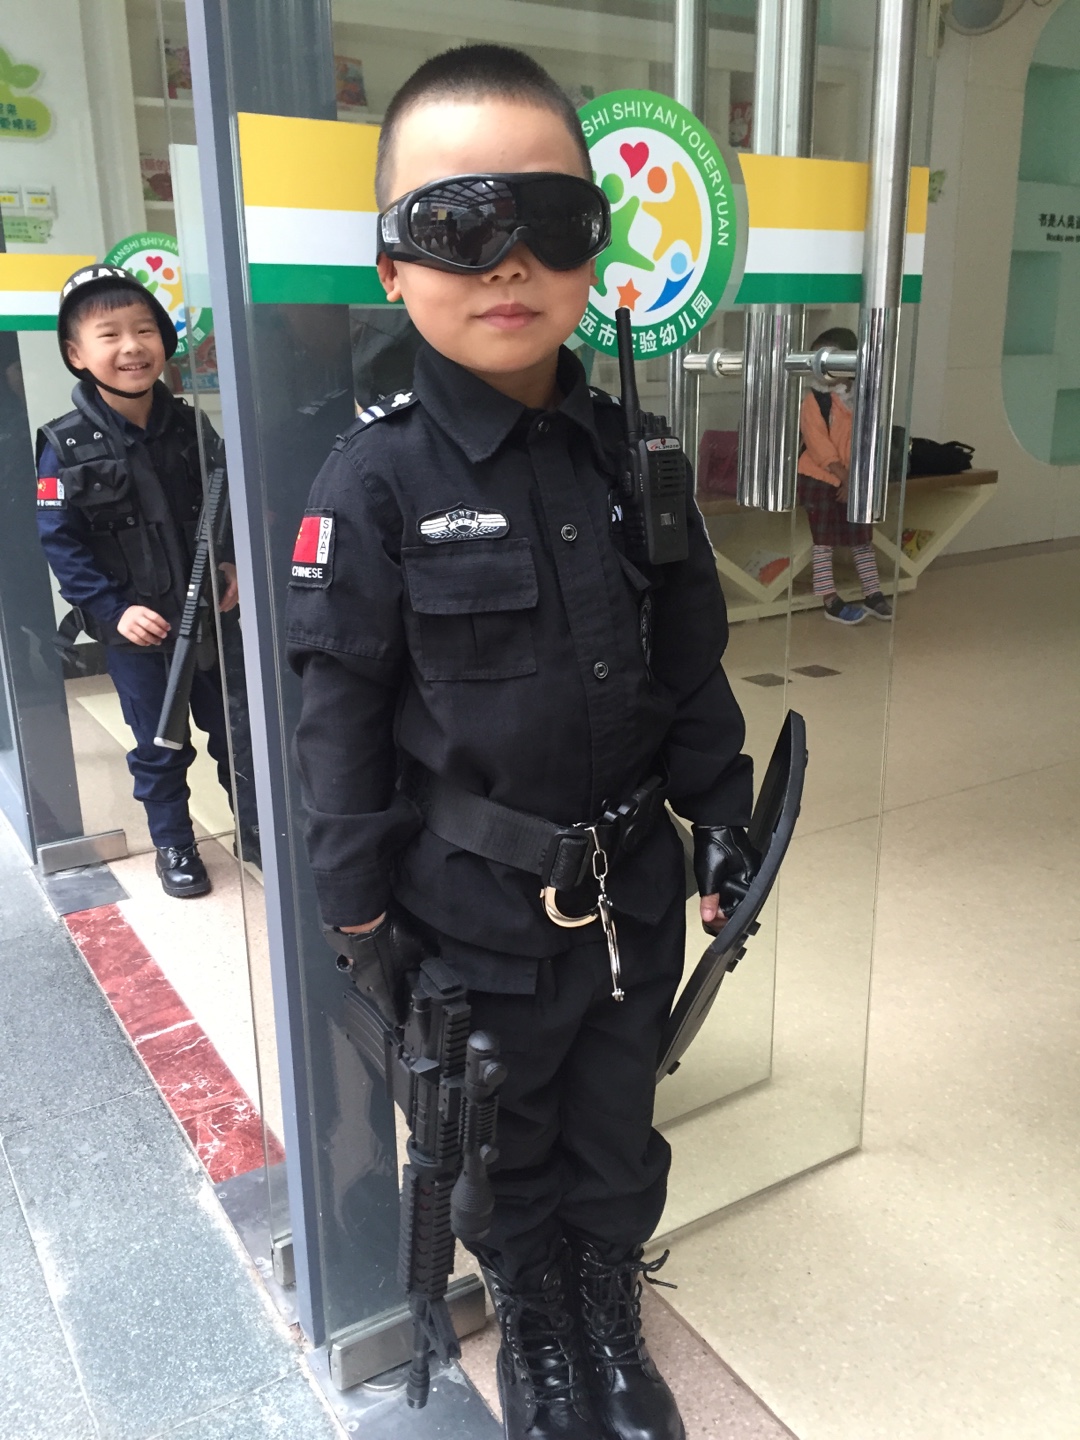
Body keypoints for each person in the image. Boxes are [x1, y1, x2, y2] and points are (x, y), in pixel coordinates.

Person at [286, 46, 757, 1440]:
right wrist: (354, 912)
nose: (507, 262)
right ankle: (538, 1329)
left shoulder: (633, 456)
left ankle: (605, 1307)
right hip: (470, 915)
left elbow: (689, 661)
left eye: (548, 220)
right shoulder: (371, 482)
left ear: (593, 250)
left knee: (615, 1118)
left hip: (633, 895)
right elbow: (338, 717)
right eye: (454, 225)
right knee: (499, 1139)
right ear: (391, 267)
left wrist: (722, 817)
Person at [36, 265, 238, 897]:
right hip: (138, 632)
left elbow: (227, 503)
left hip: (211, 617)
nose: (131, 346)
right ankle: (175, 844)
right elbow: (61, 542)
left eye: (145, 330)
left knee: (237, 732)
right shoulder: (64, 445)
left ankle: (258, 826)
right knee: (159, 745)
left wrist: (230, 565)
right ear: (77, 354)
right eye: (110, 334)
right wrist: (113, 609)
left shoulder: (192, 425)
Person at [797, 326, 892, 624]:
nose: (821, 369)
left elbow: (868, 439)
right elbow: (818, 444)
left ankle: (873, 592)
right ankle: (829, 599)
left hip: (853, 479)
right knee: (823, 541)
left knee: (861, 538)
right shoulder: (815, 400)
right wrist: (844, 477)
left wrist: (856, 478)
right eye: (817, 360)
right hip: (821, 478)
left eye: (829, 361)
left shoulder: (863, 398)